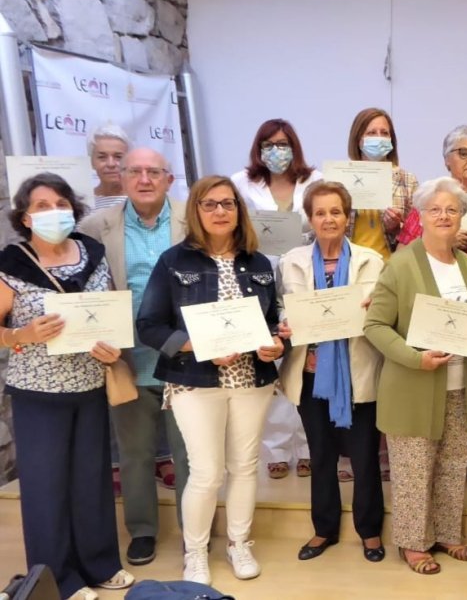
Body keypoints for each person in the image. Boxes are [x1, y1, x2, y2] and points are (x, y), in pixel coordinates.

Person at [137, 175, 286, 584]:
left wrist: (274, 344)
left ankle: (239, 543)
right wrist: (197, 345)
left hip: (251, 378)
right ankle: (196, 551)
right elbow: (148, 326)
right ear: (196, 211)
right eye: (210, 204)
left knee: (244, 466)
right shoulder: (173, 262)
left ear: (239, 211)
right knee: (205, 472)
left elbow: (272, 323)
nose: (220, 211)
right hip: (195, 380)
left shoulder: (258, 263)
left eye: (228, 204)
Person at [0, 173, 134, 600]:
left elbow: (108, 310)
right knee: (45, 487)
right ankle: (57, 577)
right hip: (38, 393)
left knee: (92, 480)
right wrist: (22, 335)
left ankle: (100, 564)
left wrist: (114, 348)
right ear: (24, 216)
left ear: (73, 209)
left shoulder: (92, 253)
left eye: (59, 202)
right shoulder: (11, 263)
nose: (52, 211)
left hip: (90, 385)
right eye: (40, 205)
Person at [363, 177, 467, 575]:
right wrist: (415, 358)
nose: (443, 216)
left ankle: (448, 533)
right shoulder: (400, 263)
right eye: (435, 209)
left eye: (451, 209)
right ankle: (413, 543)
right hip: (414, 385)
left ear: (461, 217)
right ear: (420, 216)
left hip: (460, 385)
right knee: (414, 469)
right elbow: (375, 325)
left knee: (455, 462)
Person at [77, 149, 189, 567]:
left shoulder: (189, 219)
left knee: (190, 452)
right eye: (135, 171)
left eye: (153, 172)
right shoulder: (94, 226)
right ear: (121, 178)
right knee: (135, 452)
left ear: (169, 179)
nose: (144, 179)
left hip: (183, 355)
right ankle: (142, 530)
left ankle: (192, 529)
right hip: (126, 358)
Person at [277, 181, 386, 563]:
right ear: (310, 218)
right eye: (320, 212)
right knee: (320, 454)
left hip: (358, 371)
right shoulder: (291, 261)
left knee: (364, 457)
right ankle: (324, 529)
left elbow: (385, 314)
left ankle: (370, 531)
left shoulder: (372, 260)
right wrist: (284, 324)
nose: (328, 219)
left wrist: (376, 308)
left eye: (336, 211)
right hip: (310, 374)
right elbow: (280, 307)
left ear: (348, 216)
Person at [397, 125, 467, 483]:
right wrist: (442, 239)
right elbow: (402, 254)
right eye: (464, 153)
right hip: (437, 308)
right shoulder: (430, 202)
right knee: (444, 377)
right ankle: (439, 454)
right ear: (447, 160)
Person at [231, 118, 317, 480]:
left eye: (283, 144)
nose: (276, 151)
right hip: (258, 275)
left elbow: (322, 222)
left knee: (302, 357)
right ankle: (277, 448)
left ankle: (309, 445)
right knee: (268, 356)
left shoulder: (315, 181)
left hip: (304, 274)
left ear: (294, 147)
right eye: (269, 144)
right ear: (258, 149)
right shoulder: (240, 182)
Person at [345, 107, 420, 261]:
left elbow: (418, 235)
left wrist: (395, 228)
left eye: (384, 133)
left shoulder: (407, 180)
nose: (379, 138)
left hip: (389, 267)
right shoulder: (341, 177)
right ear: (358, 139)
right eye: (371, 133)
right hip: (349, 268)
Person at [87, 123, 130, 211]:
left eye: (118, 157)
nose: (111, 164)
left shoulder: (141, 201)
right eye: (102, 157)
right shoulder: (82, 202)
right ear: (91, 162)